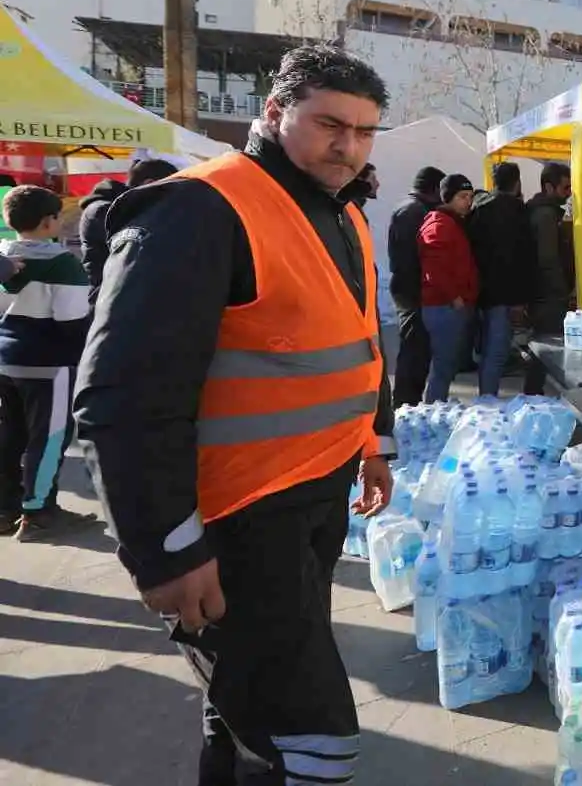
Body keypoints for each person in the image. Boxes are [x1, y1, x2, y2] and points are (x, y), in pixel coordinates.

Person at [74, 43, 396, 784]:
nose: (348, 146)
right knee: (312, 731)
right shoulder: (200, 207)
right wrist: (163, 548)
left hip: (313, 496)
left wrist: (371, 441)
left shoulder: (339, 213)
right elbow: (123, 396)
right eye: (329, 125)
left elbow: (357, 338)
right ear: (275, 112)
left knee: (244, 703)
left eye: (365, 130)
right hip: (237, 517)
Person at [0, 185, 94, 539]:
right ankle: (38, 512)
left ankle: (5, 508)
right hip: (47, 364)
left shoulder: (4, 255)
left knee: (10, 434)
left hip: (5, 359)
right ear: (47, 222)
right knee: (49, 438)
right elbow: (71, 321)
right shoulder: (62, 263)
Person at [467, 162, 534, 397]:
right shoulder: (516, 211)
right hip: (504, 294)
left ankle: (487, 397)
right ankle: (487, 402)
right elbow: (520, 258)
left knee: (488, 350)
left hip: (481, 292)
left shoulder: (479, 207)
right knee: (496, 352)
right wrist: (520, 299)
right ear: (517, 183)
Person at [79, 158, 179, 306]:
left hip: (119, 298)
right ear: (149, 184)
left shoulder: (126, 208)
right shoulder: (104, 210)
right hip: (107, 301)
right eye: (168, 191)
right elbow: (140, 249)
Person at [388, 165, 445, 407]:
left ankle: (406, 401)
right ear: (433, 189)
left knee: (415, 348)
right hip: (412, 290)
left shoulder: (409, 208)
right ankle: (404, 404)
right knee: (414, 350)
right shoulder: (414, 212)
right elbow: (412, 258)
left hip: (408, 287)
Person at [419, 174, 479, 403]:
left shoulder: (450, 222)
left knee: (445, 366)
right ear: (448, 198)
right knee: (443, 367)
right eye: (463, 196)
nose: (468, 202)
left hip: (448, 305)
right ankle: (433, 409)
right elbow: (433, 268)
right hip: (443, 307)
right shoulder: (439, 224)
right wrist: (454, 297)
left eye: (471, 197)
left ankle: (435, 407)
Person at [527, 161, 575, 335]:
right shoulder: (546, 215)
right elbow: (548, 259)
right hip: (549, 298)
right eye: (566, 188)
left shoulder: (544, 212)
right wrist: (563, 292)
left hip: (545, 295)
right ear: (549, 187)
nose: (569, 193)